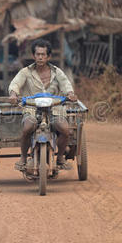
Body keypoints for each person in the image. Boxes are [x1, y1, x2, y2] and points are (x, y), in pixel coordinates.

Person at [8, 39, 77, 171]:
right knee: (27, 127)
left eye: (43, 54)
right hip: (31, 108)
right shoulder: (25, 72)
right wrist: (13, 94)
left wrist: (70, 94)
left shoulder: (57, 72)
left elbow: (66, 85)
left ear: (48, 56)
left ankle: (61, 157)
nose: (40, 57)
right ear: (33, 56)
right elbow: (15, 84)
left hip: (55, 109)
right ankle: (23, 157)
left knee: (65, 129)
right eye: (38, 54)